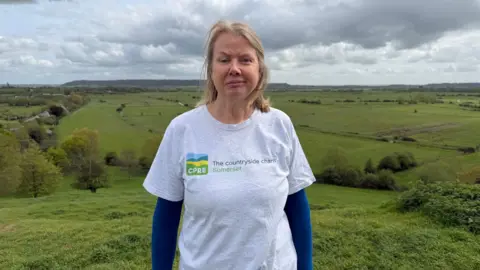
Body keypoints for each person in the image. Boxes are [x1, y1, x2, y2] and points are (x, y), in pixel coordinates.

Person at [143, 19, 316, 270]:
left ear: (260, 69)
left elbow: (297, 205)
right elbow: (166, 217)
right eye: (224, 60)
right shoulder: (183, 130)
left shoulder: (279, 124)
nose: (234, 68)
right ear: (210, 69)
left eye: (245, 60)